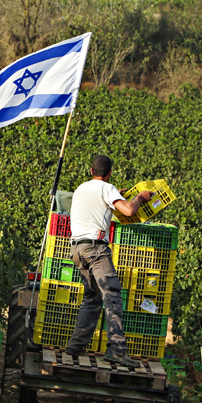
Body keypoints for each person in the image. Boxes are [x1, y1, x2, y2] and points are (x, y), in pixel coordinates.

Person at [63, 155, 152, 368]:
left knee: (92, 297)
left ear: (91, 171)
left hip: (77, 249)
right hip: (96, 249)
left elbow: (96, 206)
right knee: (112, 297)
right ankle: (117, 350)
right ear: (109, 172)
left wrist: (115, 196)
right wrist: (140, 197)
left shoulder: (81, 189)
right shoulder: (107, 187)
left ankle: (76, 346)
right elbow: (129, 210)